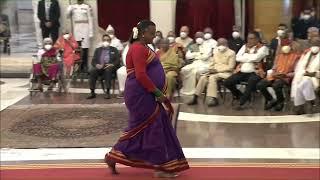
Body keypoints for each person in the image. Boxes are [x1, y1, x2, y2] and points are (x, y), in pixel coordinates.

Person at [104, 20, 189, 178]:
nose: (154, 36)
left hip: (144, 93)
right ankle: (160, 168)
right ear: (143, 33)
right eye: (152, 33)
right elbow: (141, 75)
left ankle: (113, 156)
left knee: (144, 128)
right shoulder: (137, 49)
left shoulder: (144, 47)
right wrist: (158, 93)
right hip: (140, 95)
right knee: (153, 127)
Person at [224, 31, 269, 109]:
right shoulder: (244, 46)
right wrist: (250, 57)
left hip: (256, 72)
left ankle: (241, 103)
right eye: (248, 38)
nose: (249, 40)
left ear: (257, 39)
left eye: (252, 38)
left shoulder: (263, 48)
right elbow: (237, 58)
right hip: (242, 72)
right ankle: (240, 96)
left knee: (251, 82)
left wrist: (245, 56)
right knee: (227, 82)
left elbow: (257, 58)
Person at [188, 38, 236, 106]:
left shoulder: (231, 53)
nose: (220, 46)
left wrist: (217, 71)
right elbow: (212, 63)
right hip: (214, 72)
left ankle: (213, 99)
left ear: (226, 44)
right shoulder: (216, 52)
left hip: (226, 73)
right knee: (203, 77)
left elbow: (231, 67)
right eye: (219, 44)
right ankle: (195, 97)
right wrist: (210, 69)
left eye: (222, 44)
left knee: (212, 78)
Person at [257, 42, 300, 111]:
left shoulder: (296, 57)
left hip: (286, 77)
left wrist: (286, 75)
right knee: (260, 85)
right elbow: (274, 67)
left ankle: (280, 101)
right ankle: (271, 100)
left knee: (276, 85)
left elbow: (296, 71)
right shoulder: (279, 56)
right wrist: (274, 73)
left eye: (288, 45)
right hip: (275, 75)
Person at [291, 37, 320, 114]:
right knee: (301, 82)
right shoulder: (307, 54)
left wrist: (314, 74)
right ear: (310, 45)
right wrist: (302, 73)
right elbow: (300, 67)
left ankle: (299, 105)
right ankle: (308, 102)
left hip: (316, 78)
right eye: (313, 44)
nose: (315, 46)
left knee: (305, 82)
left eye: (317, 44)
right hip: (304, 76)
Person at [87, 34, 120, 99]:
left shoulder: (114, 49)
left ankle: (107, 92)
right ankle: (92, 92)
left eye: (108, 40)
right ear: (102, 41)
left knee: (108, 70)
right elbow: (93, 61)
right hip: (99, 67)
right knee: (92, 71)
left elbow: (117, 60)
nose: (106, 41)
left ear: (110, 41)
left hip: (109, 67)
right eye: (104, 40)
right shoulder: (98, 50)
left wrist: (112, 64)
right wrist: (96, 65)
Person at [67, 0, 93, 73]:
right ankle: (78, 67)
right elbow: (67, 16)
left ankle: (85, 66)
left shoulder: (87, 7)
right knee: (77, 49)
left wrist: (91, 32)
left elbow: (90, 19)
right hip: (77, 28)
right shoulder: (73, 6)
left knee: (85, 48)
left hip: (85, 28)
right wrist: (69, 8)